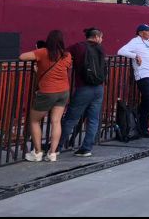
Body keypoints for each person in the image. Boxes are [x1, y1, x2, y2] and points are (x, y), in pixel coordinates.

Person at [20, 30, 73, 162]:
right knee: (56, 121)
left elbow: (22, 56)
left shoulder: (43, 52)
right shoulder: (67, 55)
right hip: (64, 91)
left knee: (34, 120)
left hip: (47, 92)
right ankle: (52, 153)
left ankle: (37, 152)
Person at [59, 27, 106, 157]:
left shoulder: (78, 47)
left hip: (83, 87)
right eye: (101, 37)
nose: (101, 40)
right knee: (93, 119)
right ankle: (86, 148)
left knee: (71, 118)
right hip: (99, 88)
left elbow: (63, 54)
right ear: (96, 37)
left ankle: (57, 146)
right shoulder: (101, 49)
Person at [118, 24, 149, 138]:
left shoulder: (148, 42)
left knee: (146, 104)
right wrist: (135, 55)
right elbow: (121, 51)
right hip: (143, 76)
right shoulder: (135, 41)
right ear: (140, 33)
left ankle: (143, 129)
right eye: (147, 31)